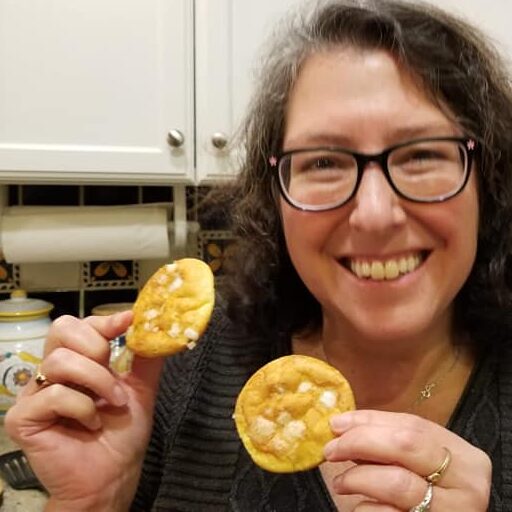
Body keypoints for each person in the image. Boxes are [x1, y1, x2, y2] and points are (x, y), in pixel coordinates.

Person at [5, 0, 512, 509]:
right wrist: (92, 499)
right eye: (323, 162)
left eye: (423, 154)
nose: (375, 214)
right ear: (276, 197)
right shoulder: (184, 369)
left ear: (487, 180)